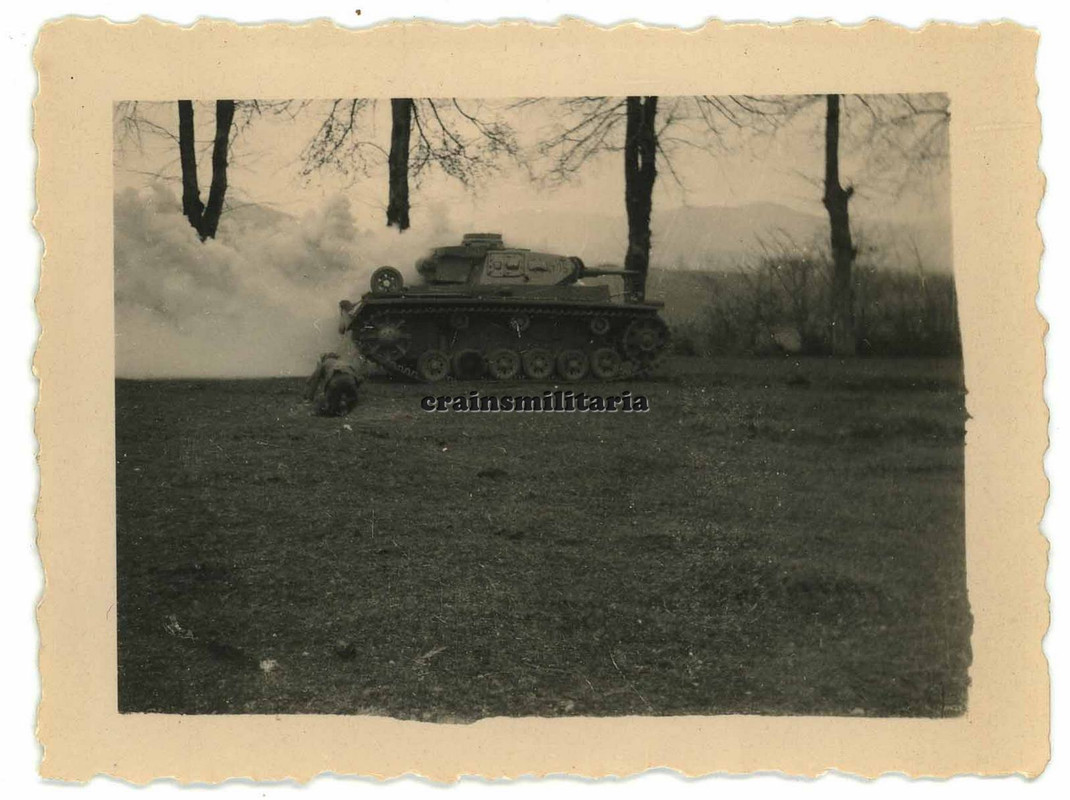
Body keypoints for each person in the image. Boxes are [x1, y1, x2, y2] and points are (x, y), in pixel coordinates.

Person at [306, 351, 363, 417]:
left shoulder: (325, 363)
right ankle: (344, 409)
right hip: (350, 380)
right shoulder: (345, 363)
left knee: (330, 408)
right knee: (352, 401)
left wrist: (310, 397)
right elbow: (359, 379)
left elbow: (315, 380)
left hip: (335, 381)